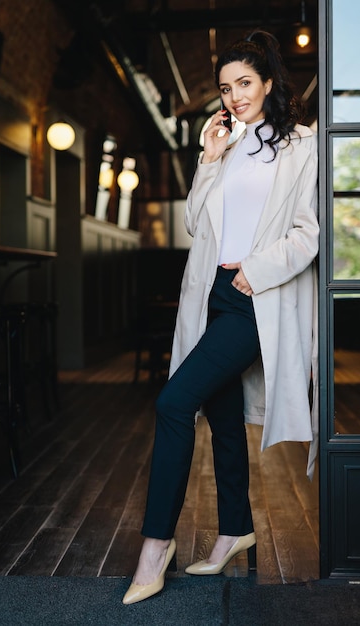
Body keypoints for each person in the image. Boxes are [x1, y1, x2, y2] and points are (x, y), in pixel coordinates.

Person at [123, 30, 319, 605]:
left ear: (268, 84)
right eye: (225, 88)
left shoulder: (302, 145)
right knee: (222, 412)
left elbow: (309, 234)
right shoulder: (226, 146)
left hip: (252, 294)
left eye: (244, 84)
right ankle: (235, 528)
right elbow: (194, 225)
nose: (234, 97)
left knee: (173, 401)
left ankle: (155, 548)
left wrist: (257, 268)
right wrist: (208, 161)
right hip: (209, 291)